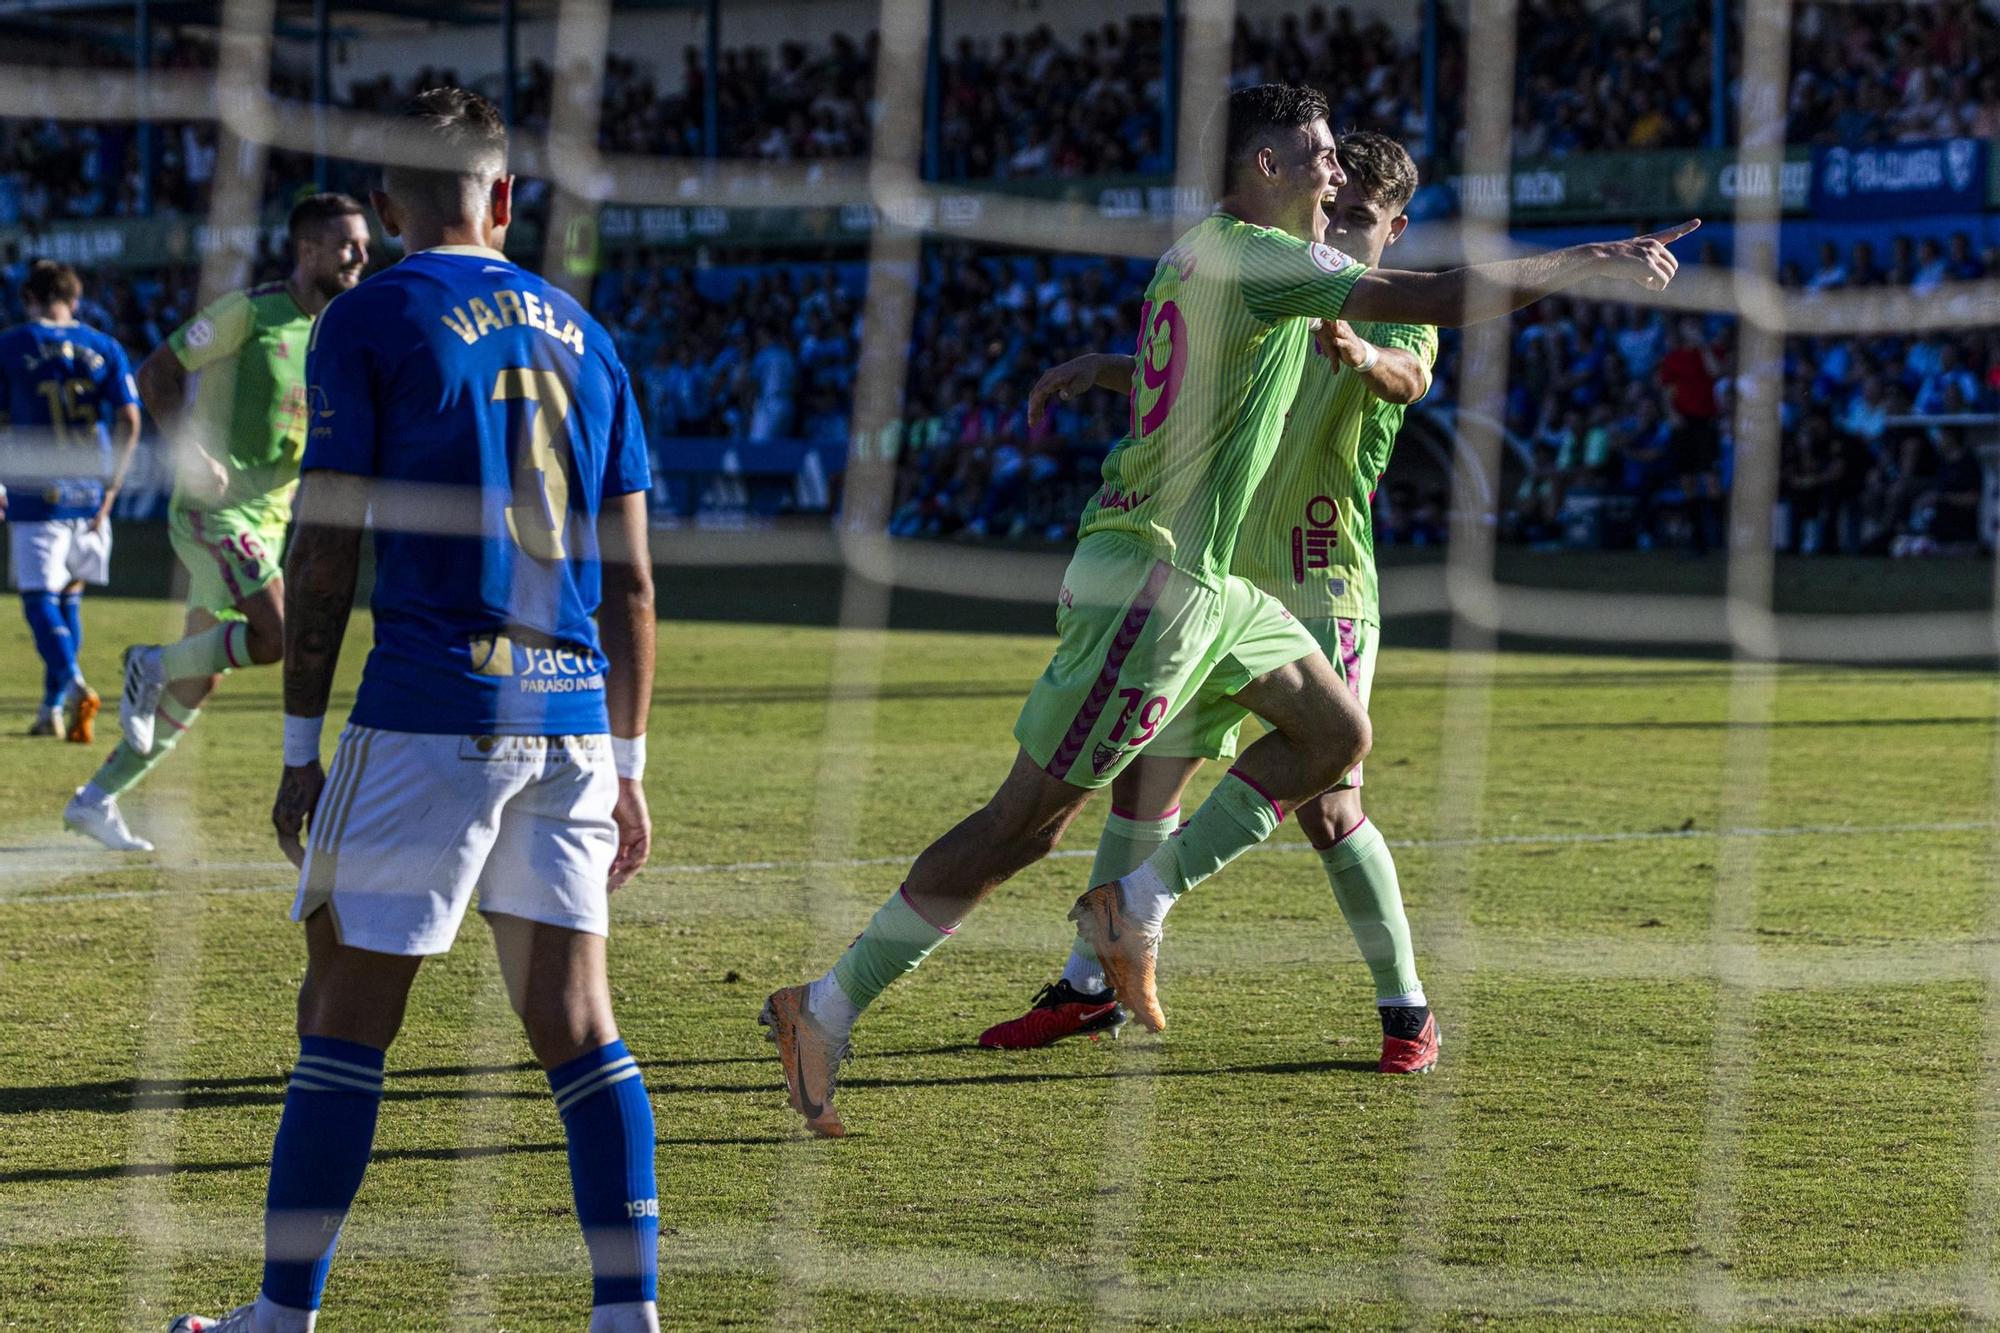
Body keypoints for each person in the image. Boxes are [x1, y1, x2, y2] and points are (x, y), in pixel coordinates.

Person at [759, 82, 1695, 1137]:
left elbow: (1339, 352)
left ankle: (1132, 910)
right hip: (1155, 582)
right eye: (1319, 153)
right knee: (1023, 823)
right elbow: (1432, 295)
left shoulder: (1206, 252)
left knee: (1335, 733)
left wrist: (1108, 369)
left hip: (1222, 584)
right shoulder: (1266, 262)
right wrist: (1583, 262)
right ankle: (825, 1008)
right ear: (1264, 168)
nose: (1335, 171)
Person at [169, 88, 659, 1333]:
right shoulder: (588, 334)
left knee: (343, 1009)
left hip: (434, 705)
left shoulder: (371, 312)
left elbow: (324, 554)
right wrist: (628, 761)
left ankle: (279, 1318)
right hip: (570, 720)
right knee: (578, 1024)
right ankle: (626, 1315)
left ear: (386, 209)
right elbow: (638, 580)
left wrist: (298, 747)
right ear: (505, 198)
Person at [979, 131, 1443, 1073]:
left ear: (1395, 228)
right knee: (1152, 776)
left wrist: (1360, 352)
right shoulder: (1280, 280)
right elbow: (1193, 373)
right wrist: (1104, 367)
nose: (1339, 229)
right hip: (1225, 578)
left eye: (1359, 219)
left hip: (1324, 582)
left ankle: (1406, 1010)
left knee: (1330, 802)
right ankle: (1086, 986)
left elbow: (1413, 378)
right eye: (1333, 209)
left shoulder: (1393, 314)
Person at [63, 193, 369, 852]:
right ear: (309, 249)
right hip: (213, 509)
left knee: (202, 680)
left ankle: (96, 798)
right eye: (348, 244)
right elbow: (155, 375)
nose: (361, 256)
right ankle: (148, 662)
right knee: (285, 632)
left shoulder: (344, 332)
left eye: (365, 245)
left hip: (271, 521)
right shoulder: (250, 313)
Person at [0, 260, 141, 743]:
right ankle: (50, 709)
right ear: (75, 300)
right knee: (70, 600)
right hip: (92, 494)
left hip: (36, 492)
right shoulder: (105, 347)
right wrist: (114, 488)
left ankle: (76, 686)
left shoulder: (12, 346)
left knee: (39, 602)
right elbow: (131, 419)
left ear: (28, 299)